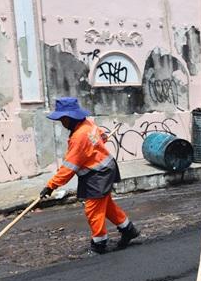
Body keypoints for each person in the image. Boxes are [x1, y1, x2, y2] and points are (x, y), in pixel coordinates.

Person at [40, 97, 139, 254]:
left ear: (69, 118)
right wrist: (101, 139)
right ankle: (128, 230)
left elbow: (69, 167)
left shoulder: (79, 137)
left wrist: (51, 185)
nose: (61, 123)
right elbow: (99, 134)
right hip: (103, 170)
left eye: (62, 119)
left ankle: (99, 244)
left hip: (98, 174)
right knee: (106, 206)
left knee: (93, 209)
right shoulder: (87, 124)